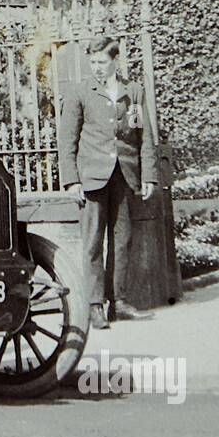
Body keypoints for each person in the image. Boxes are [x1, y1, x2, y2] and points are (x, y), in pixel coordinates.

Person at [58, 36, 158, 330]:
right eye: (93, 63)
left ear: (115, 60)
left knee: (122, 239)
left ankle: (120, 302)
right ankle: (93, 306)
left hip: (124, 175)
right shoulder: (79, 92)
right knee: (92, 243)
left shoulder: (133, 92)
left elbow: (144, 136)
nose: (97, 68)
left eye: (102, 62)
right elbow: (67, 140)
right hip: (91, 177)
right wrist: (71, 181)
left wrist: (149, 174)